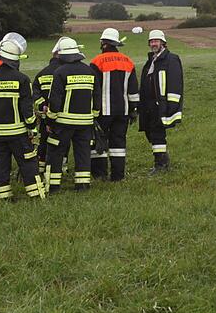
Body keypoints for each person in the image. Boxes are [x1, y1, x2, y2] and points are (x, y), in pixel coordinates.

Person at [0, 38, 45, 201]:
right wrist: (33, 128)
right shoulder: (22, 79)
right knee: (28, 163)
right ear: (16, 60)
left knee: (1, 164)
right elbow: (26, 108)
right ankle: (36, 194)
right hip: (18, 133)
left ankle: (3, 196)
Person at [46, 37, 97, 192]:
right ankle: (82, 185)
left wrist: (50, 119)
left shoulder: (60, 72)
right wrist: (93, 116)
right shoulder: (90, 71)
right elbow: (97, 97)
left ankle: (54, 186)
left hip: (64, 123)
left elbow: (55, 100)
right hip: (85, 123)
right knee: (83, 153)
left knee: (57, 153)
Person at [90, 28, 141, 181]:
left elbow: (93, 88)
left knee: (99, 140)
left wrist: (93, 109)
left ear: (103, 43)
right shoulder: (128, 61)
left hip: (103, 111)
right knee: (118, 142)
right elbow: (133, 90)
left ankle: (100, 174)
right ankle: (118, 176)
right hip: (123, 110)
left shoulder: (96, 62)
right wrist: (134, 109)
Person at [138, 30, 183, 174]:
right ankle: (163, 159)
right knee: (149, 131)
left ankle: (161, 165)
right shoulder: (151, 60)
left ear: (163, 43)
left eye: (156, 41)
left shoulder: (171, 59)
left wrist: (172, 104)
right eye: (151, 41)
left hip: (161, 104)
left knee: (157, 133)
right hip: (148, 104)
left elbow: (176, 82)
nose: (153, 44)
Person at [33, 38, 67, 175]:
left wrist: (43, 105)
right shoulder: (65, 72)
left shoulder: (41, 73)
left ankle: (41, 167)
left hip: (45, 115)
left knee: (43, 141)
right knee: (62, 143)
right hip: (62, 116)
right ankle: (61, 168)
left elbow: (35, 95)